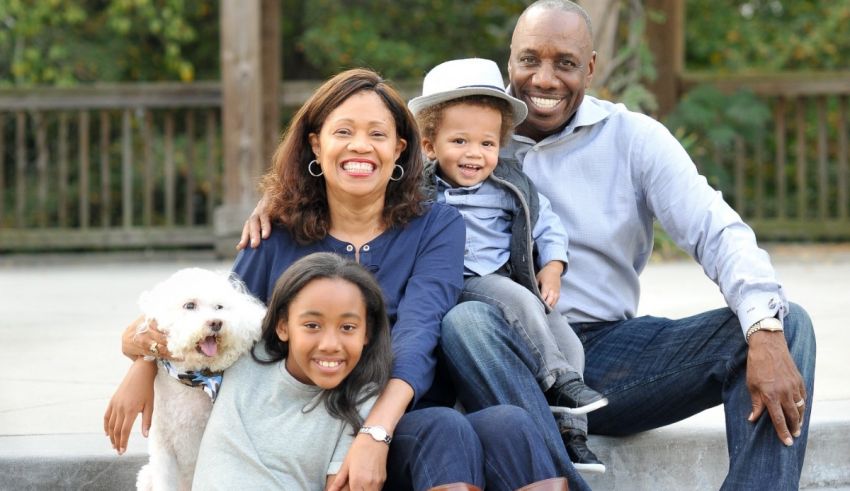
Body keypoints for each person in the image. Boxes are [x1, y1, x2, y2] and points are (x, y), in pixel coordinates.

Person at [105, 67, 569, 491]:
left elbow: (419, 330)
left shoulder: (436, 225)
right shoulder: (275, 229)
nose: (360, 146)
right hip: (306, 425)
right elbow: (220, 320)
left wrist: (375, 431)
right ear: (315, 144)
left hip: (398, 413)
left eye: (377, 134)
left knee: (509, 424)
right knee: (445, 429)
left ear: (399, 150)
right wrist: (144, 359)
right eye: (343, 132)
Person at [434, 1, 814, 490]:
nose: (544, 79)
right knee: (468, 321)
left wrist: (762, 325)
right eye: (530, 59)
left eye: (565, 63)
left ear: (592, 67)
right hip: (501, 357)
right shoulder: (467, 135)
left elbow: (717, 229)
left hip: (607, 354)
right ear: (510, 60)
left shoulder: (633, 138)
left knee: (785, 325)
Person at [409, 57, 607, 473]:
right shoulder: (415, 190)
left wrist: (552, 267)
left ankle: (573, 434)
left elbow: (546, 224)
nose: (474, 155)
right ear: (430, 146)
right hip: (458, 282)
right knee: (516, 298)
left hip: (506, 279)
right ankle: (558, 380)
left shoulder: (510, 185)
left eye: (487, 144)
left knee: (566, 338)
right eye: (459, 142)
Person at [193, 252, 393, 489]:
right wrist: (143, 362)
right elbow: (174, 325)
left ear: (367, 333)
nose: (330, 344)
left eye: (348, 327)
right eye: (312, 325)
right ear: (282, 326)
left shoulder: (362, 398)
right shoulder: (244, 351)